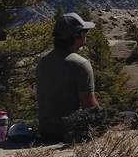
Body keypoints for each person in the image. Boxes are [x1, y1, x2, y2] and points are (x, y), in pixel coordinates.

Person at [36, 12, 99, 142]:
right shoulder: (81, 64)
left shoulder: (43, 62)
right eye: (84, 31)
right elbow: (90, 106)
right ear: (77, 35)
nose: (86, 34)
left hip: (45, 132)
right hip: (71, 133)